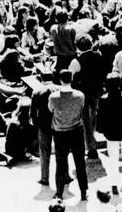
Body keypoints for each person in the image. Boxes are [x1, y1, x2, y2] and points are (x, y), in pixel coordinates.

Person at [48, 69, 88, 200]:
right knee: (80, 162)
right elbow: (82, 110)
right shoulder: (80, 95)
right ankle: (83, 191)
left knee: (60, 164)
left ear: (60, 80)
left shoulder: (53, 97)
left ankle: (59, 192)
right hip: (76, 131)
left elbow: (51, 110)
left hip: (60, 133)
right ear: (71, 79)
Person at [97, 73, 122, 194]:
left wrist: (102, 131)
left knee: (112, 159)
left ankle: (114, 185)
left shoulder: (103, 99)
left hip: (111, 134)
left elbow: (101, 118)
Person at [69, 33, 103, 160]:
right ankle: (92, 141)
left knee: (86, 121)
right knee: (93, 118)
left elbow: (71, 77)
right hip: (96, 92)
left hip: (83, 94)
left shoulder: (76, 61)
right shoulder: (98, 56)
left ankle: (91, 147)